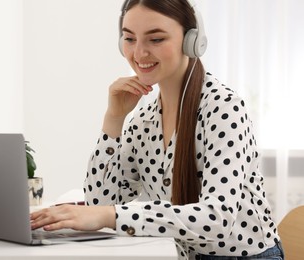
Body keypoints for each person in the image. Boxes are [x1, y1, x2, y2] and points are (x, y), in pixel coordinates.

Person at [30, 0, 284, 259]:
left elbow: (216, 219)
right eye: (129, 38)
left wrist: (110, 216)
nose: (139, 54)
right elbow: (101, 204)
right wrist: (114, 120)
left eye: (156, 39)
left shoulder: (223, 108)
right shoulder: (143, 120)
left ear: (192, 41)